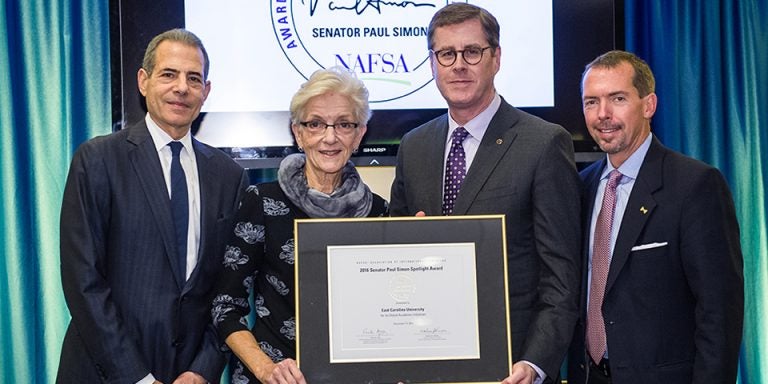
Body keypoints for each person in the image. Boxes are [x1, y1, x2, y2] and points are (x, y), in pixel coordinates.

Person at [389, 4, 582, 384]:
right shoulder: (413, 146)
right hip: (425, 363)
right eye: (447, 54)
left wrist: (535, 363)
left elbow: (561, 277)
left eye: (472, 52)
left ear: (496, 58)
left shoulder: (544, 143)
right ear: (432, 63)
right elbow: (396, 255)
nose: (459, 65)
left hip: (510, 368)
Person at [57, 29, 248, 383]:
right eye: (168, 74)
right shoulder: (98, 160)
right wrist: (139, 377)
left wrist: (202, 370)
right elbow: (83, 282)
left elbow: (228, 289)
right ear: (143, 82)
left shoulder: (229, 176)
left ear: (206, 92)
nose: (181, 88)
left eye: (194, 78)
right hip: (104, 373)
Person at [567, 50, 744, 383]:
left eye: (617, 98)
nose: (602, 114)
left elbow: (719, 313)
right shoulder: (581, 187)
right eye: (591, 102)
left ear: (648, 105)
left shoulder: (696, 185)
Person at [211, 67, 389, 384]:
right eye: (316, 124)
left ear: (359, 134)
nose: (330, 137)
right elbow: (226, 305)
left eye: (344, 124)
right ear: (299, 132)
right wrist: (266, 369)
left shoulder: (380, 213)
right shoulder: (262, 202)